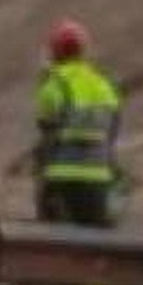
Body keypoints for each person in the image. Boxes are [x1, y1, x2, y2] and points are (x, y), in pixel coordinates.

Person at [30, 20, 127, 228]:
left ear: (55, 51)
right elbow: (112, 133)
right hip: (100, 180)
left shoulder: (54, 84)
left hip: (61, 180)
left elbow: (46, 133)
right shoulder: (104, 84)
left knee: (58, 249)